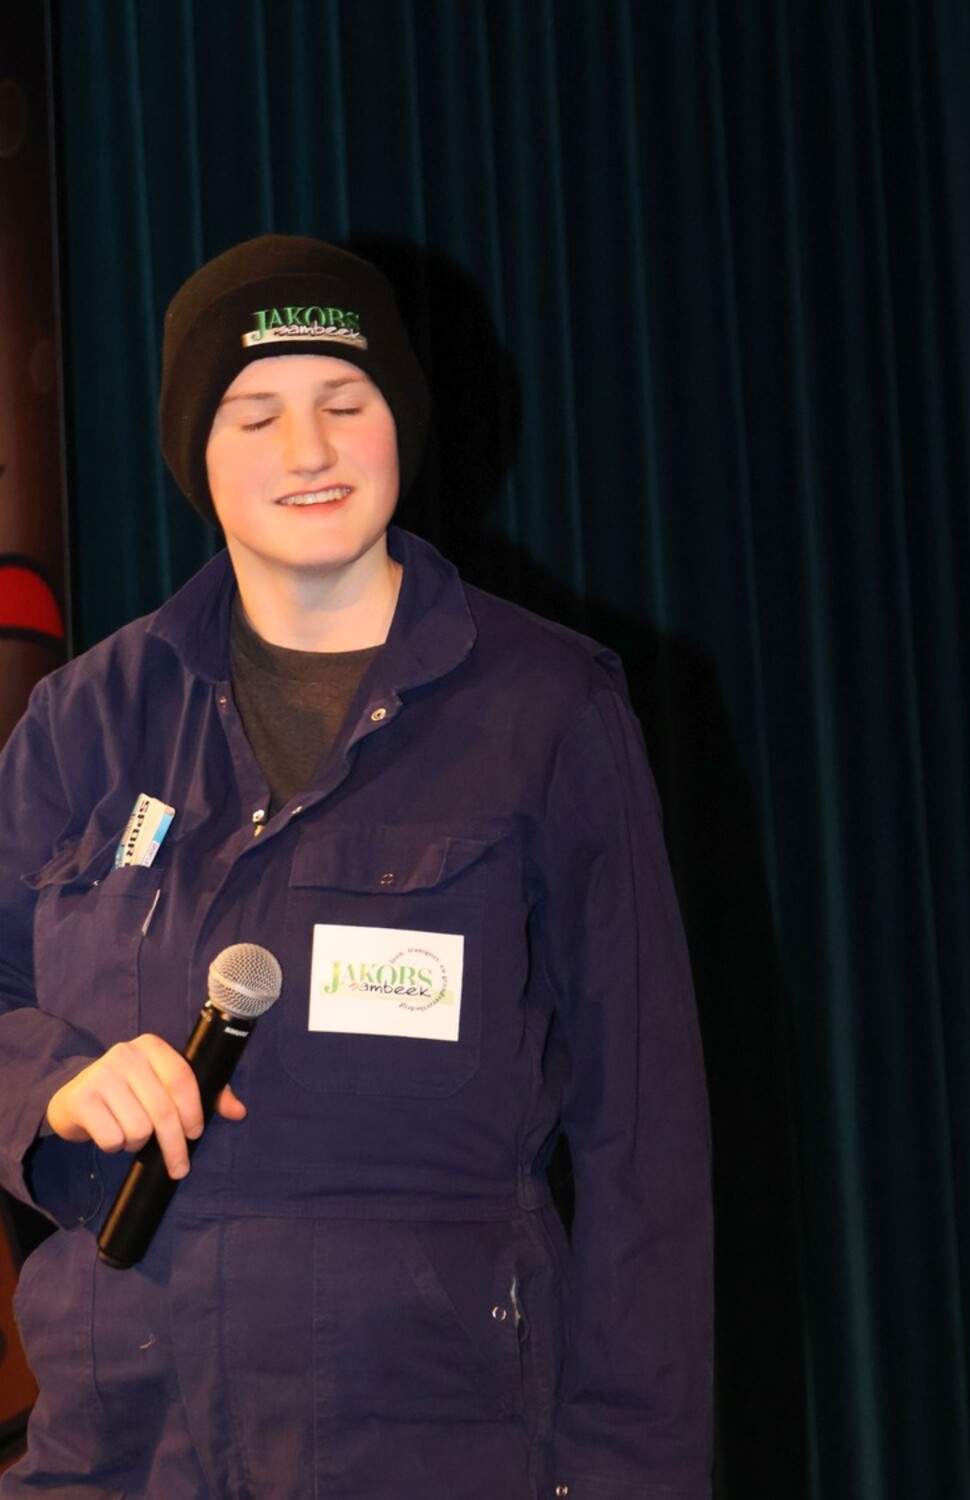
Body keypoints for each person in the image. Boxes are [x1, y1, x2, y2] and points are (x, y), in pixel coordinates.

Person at [0, 235, 712, 1498]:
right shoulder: (83, 721)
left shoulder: (549, 712)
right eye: (254, 414)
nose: (307, 450)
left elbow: (642, 1141)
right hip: (120, 1451)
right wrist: (56, 1087)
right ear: (195, 451)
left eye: (345, 401)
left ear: (401, 423)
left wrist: (631, 1475)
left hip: (435, 1441)